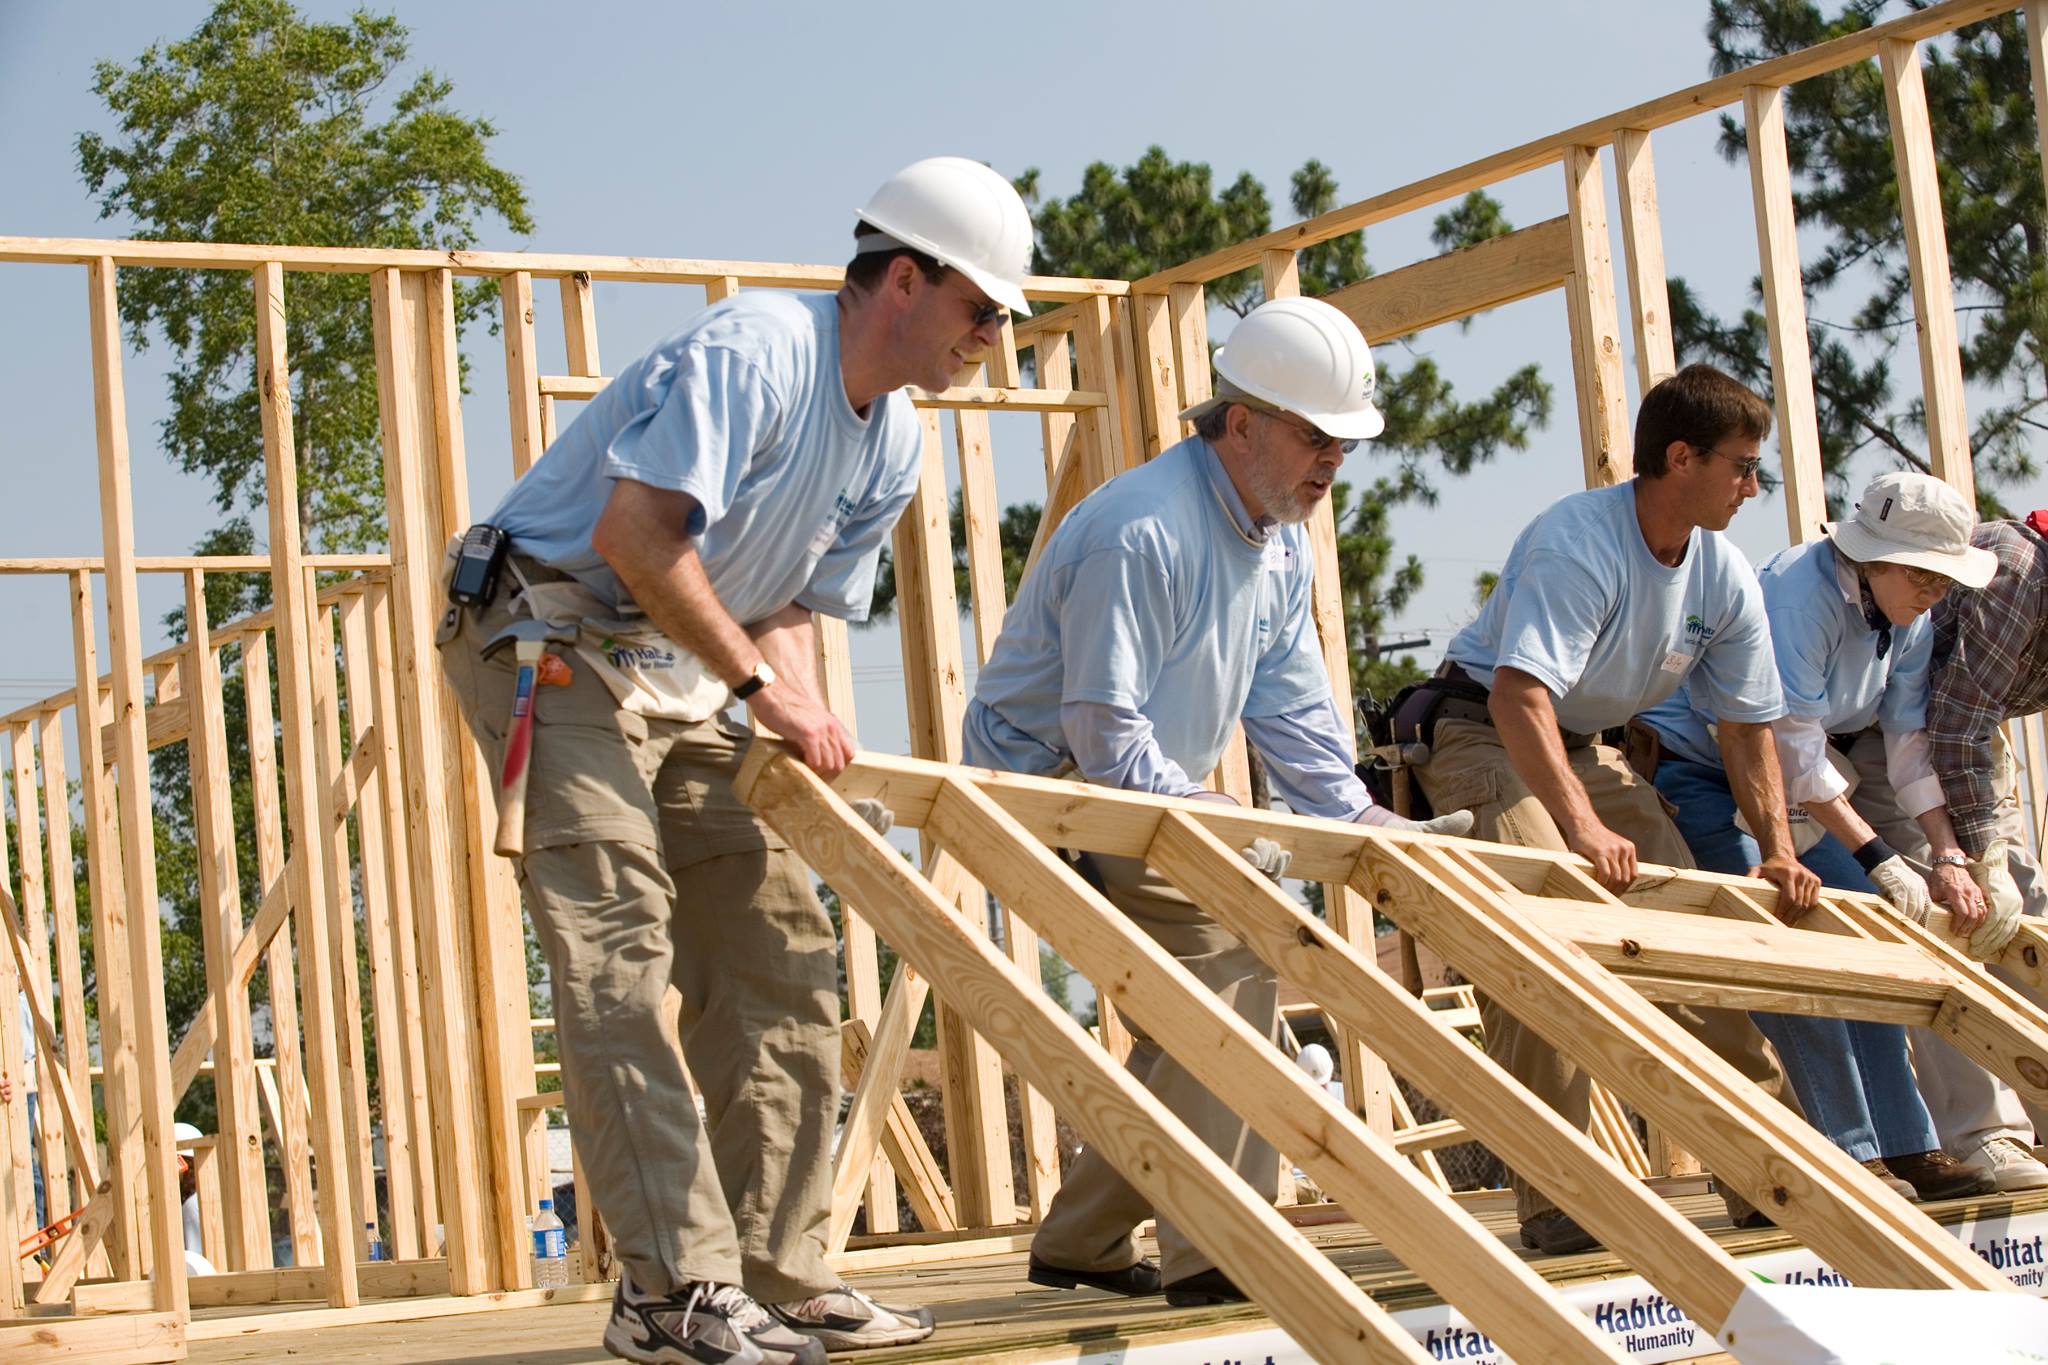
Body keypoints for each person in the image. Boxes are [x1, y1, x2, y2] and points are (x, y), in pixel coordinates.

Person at [440, 156, 1034, 1365]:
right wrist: (768, 695)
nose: (994, 338)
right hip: (546, 638)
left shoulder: (896, 439)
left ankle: (778, 1268)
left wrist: (803, 713)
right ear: (904, 283)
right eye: (983, 311)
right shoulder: (760, 353)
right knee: (618, 944)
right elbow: (636, 537)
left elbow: (790, 609)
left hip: (678, 667)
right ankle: (670, 1293)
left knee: (779, 950)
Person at [964, 296, 1473, 1307]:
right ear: (1236, 422)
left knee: (1201, 1023)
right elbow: (1103, 728)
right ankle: (1220, 1256)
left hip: (1146, 794)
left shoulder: (1276, 542)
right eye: (1312, 437)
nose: (1332, 461)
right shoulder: (1139, 530)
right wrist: (1218, 832)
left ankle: (1082, 1242)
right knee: (1232, 963)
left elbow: (1293, 716)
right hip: (1046, 788)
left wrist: (1366, 824)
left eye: (1344, 443)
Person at [1399, 363, 1816, 1255]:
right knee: (1538, 929)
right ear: (1679, 458)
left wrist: (1775, 848)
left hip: (1582, 745)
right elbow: (1517, 697)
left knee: (1689, 930)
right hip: (1482, 728)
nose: (1754, 485)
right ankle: (1559, 1196)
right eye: (1741, 466)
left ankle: (1765, 1170)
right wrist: (1581, 830)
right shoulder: (1577, 542)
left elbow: (1747, 729)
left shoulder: (1724, 575)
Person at [1639, 470, 1999, 1204]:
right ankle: (1845, 1151)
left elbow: (1907, 743)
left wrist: (1946, 854)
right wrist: (1879, 855)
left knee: (1866, 936)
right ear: (1875, 559)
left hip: (1794, 782)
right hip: (1704, 772)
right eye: (1925, 577)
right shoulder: (1797, 595)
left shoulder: (1911, 615)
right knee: (1784, 941)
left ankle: (1906, 1143)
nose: (1936, 594)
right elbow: (1792, 743)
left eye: (1942, 580)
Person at [1844, 505, 2048, 1191]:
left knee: (2031, 917)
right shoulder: (2018, 572)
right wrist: (1975, 853)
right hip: (1898, 741)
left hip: (1970, 744)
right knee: (1950, 921)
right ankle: (1986, 1134)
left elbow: (1976, 732)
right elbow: (1950, 724)